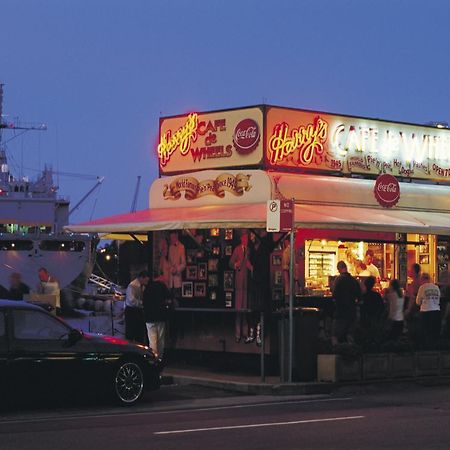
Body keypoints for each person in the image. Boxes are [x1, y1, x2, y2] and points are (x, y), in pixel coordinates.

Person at [247, 230, 274, 345]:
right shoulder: (251, 249)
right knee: (254, 310)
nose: (251, 236)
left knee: (261, 309)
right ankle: (254, 334)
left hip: (261, 282)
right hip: (254, 283)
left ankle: (258, 335)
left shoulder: (263, 247)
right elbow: (249, 261)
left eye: (253, 234)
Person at [230, 232, 253, 342]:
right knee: (238, 309)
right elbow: (230, 263)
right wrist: (236, 264)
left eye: (247, 238)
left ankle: (245, 333)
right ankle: (238, 334)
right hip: (239, 283)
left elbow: (247, 262)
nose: (246, 240)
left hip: (246, 284)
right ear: (241, 239)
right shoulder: (237, 249)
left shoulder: (248, 250)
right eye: (244, 238)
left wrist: (252, 267)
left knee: (245, 309)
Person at [332, 260, 361, 345]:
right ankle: (351, 354)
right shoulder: (353, 280)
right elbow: (359, 295)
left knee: (335, 335)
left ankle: (337, 352)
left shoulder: (338, 280)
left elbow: (334, 294)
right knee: (350, 336)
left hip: (340, 311)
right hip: (352, 311)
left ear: (339, 269)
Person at [143, 273, 171, 359]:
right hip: (160, 316)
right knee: (160, 339)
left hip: (149, 317)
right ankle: (160, 357)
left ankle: (153, 357)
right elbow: (168, 297)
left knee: (152, 340)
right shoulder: (162, 286)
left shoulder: (147, 288)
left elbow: (144, 302)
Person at [125, 270, 150, 344]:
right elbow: (131, 300)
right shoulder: (132, 286)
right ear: (142, 278)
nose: (147, 282)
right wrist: (143, 303)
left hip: (138, 311)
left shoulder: (142, 286)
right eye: (146, 280)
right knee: (131, 333)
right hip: (131, 311)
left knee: (139, 333)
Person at [416, 273, 441, 347]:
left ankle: (426, 348)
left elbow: (418, 301)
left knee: (426, 331)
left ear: (422, 279)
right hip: (436, 311)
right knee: (434, 331)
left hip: (426, 311)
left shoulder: (422, 287)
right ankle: (434, 347)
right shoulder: (436, 287)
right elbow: (439, 299)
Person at [167, 231, 186, 302]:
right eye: (170, 237)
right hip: (170, 278)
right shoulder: (170, 247)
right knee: (170, 299)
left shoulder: (181, 247)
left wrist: (177, 269)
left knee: (177, 298)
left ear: (176, 236)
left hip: (177, 278)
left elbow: (184, 264)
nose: (171, 239)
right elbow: (169, 262)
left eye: (172, 237)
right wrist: (171, 269)